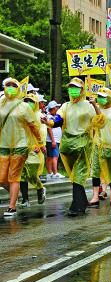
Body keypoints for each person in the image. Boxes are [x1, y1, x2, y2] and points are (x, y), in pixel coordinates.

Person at [52, 77, 105, 216]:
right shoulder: (66, 106)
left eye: (76, 87)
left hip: (83, 145)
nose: (73, 90)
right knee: (75, 176)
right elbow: (58, 120)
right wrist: (49, 122)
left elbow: (100, 121)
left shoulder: (88, 105)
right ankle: (81, 202)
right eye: (71, 87)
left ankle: (77, 206)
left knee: (78, 175)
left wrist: (95, 105)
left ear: (82, 90)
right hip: (68, 146)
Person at [1, 78, 42, 217]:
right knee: (1, 178)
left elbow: (34, 126)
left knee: (14, 176)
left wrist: (40, 143)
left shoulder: (23, 106)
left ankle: (12, 206)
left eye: (14, 85)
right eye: (8, 85)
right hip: (3, 145)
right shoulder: (0, 104)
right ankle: (15, 193)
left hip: (20, 144)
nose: (11, 88)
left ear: (18, 88)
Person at [88, 87, 111, 207]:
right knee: (95, 170)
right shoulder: (95, 109)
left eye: (103, 97)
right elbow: (98, 121)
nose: (101, 99)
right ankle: (95, 196)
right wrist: (94, 106)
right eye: (99, 97)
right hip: (98, 143)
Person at [18, 93, 47, 208]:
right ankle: (25, 199)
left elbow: (42, 132)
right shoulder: (20, 115)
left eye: (31, 101)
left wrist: (40, 145)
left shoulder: (39, 116)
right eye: (26, 100)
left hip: (35, 148)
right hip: (21, 147)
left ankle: (40, 188)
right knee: (21, 174)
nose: (28, 103)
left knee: (32, 173)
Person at [45, 101, 63, 179]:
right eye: (56, 107)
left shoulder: (56, 117)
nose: (58, 108)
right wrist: (53, 140)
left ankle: (50, 172)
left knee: (50, 156)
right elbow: (49, 129)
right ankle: (55, 173)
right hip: (52, 140)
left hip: (55, 140)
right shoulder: (48, 117)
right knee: (55, 156)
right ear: (53, 108)